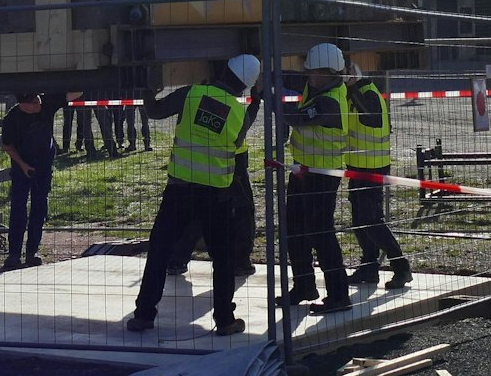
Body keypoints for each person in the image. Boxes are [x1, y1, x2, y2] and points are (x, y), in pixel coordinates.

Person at [125, 55, 263, 337]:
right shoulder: (239, 115)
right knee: (223, 259)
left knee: (160, 251)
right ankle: (225, 320)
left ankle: (143, 315)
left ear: (223, 70)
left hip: (180, 189)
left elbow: (154, 111)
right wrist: (256, 103)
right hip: (216, 195)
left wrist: (147, 88)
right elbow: (238, 145)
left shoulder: (191, 94)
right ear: (246, 87)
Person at [280, 41, 354, 313]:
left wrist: (270, 99)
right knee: (295, 229)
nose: (309, 75)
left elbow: (296, 118)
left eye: (314, 72)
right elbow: (292, 78)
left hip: (323, 175)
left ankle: (339, 295)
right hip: (303, 170)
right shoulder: (317, 85)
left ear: (329, 72)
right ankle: (303, 286)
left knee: (321, 233)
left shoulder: (329, 101)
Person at [344, 64, 411, 290]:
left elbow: (371, 119)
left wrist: (351, 90)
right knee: (359, 220)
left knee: (372, 221)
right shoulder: (354, 94)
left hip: (371, 168)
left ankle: (401, 267)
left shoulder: (368, 93)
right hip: (357, 166)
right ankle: (370, 267)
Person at [0, 91, 66, 270]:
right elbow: (8, 145)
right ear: (25, 104)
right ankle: (14, 254)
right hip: (22, 168)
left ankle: (32, 252)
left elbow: (73, 93)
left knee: (40, 208)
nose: (39, 104)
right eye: (35, 102)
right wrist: (22, 165)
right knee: (18, 208)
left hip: (43, 167)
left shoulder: (47, 105)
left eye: (38, 100)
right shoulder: (12, 118)